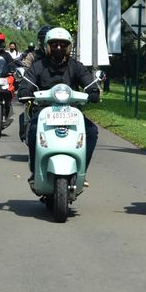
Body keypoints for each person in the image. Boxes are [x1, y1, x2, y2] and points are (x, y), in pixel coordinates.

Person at [16, 27, 100, 187]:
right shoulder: (38, 66)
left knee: (91, 131)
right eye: (54, 44)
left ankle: (81, 170)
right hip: (43, 111)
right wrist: (25, 90)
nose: (59, 48)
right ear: (47, 46)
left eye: (63, 44)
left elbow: (88, 81)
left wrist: (93, 90)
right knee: (33, 131)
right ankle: (35, 171)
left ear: (69, 46)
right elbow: (27, 83)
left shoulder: (76, 66)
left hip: (71, 111)